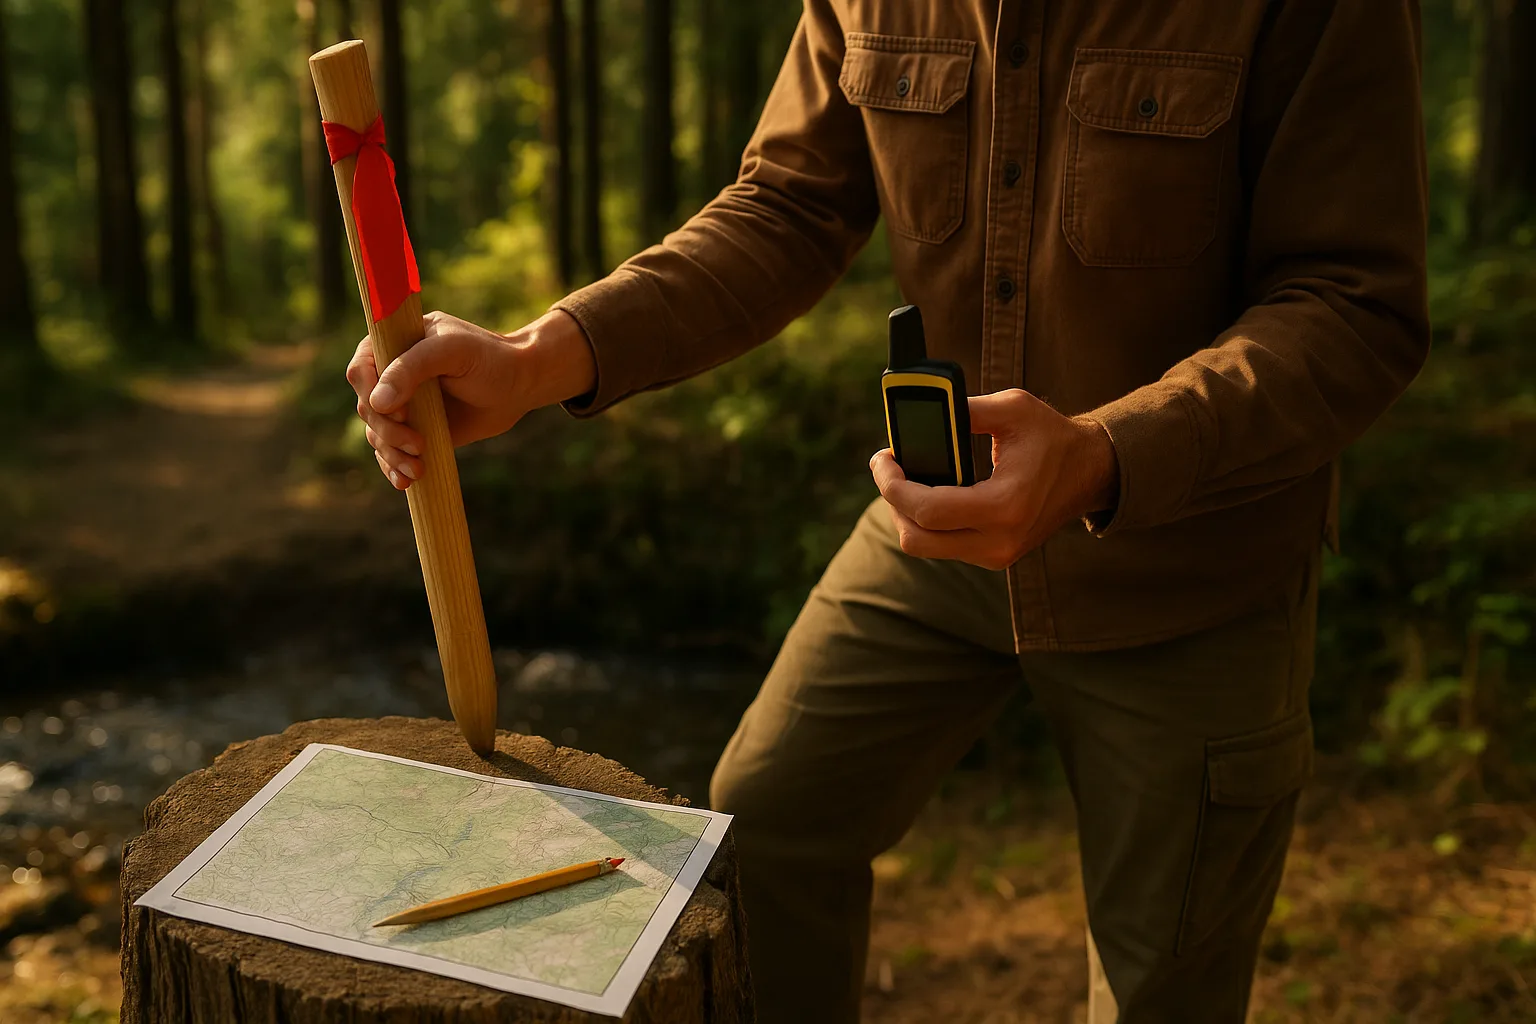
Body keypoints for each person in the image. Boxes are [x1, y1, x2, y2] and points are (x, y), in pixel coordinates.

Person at [346, 1, 1429, 1019]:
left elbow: (1354, 304)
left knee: (1162, 990)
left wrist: (1103, 456)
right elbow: (789, 205)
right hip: (935, 527)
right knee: (768, 827)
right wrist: (543, 357)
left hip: (1193, 567)